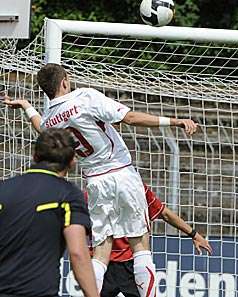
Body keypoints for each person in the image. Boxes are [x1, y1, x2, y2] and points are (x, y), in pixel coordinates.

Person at [3, 63, 198, 297]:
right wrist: (174, 121)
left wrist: (26, 106)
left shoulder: (51, 119)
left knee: (101, 252)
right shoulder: (85, 97)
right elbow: (130, 117)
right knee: (139, 243)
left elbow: (42, 130)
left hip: (95, 182)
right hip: (122, 173)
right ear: (64, 81)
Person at [0, 128, 98, 297]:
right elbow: (77, 253)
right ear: (72, 162)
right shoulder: (69, 194)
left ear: (35, 156)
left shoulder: (3, 189)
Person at [99, 184, 213, 297]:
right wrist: (194, 234)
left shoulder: (96, 186)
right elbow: (165, 214)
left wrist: (194, 234)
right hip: (127, 264)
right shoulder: (136, 185)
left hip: (109, 263)